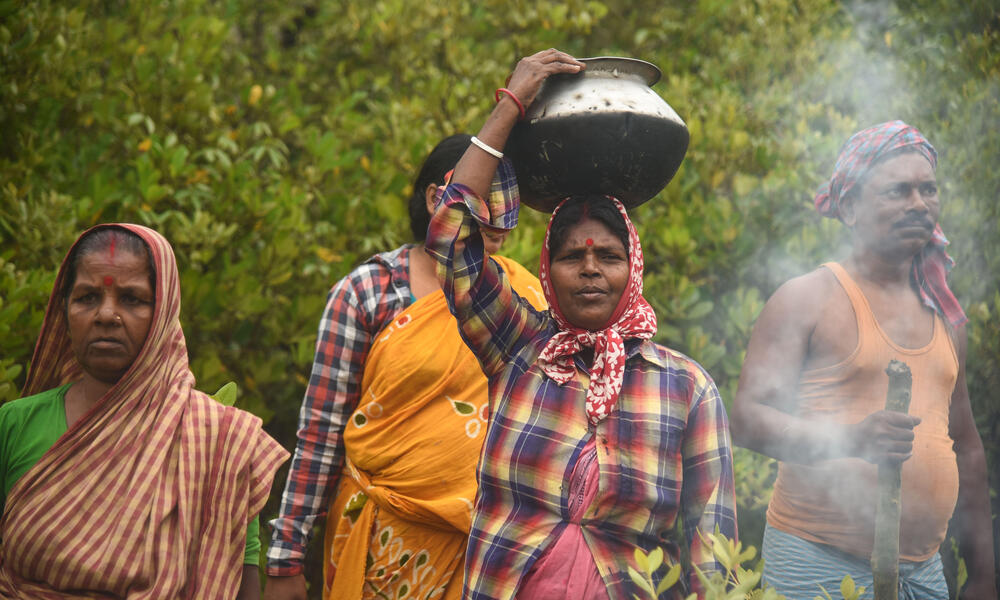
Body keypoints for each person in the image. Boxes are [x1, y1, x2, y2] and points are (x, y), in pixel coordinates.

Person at [425, 49, 736, 600]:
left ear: (633, 268)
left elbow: (712, 544)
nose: (591, 270)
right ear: (549, 270)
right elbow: (452, 237)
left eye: (609, 257)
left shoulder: (686, 387)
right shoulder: (519, 349)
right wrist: (510, 107)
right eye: (572, 257)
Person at [263, 134, 546, 600]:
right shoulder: (368, 293)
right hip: (379, 542)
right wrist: (286, 557)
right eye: (487, 199)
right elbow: (321, 432)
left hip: (487, 548)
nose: (502, 220)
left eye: (510, 202)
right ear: (442, 198)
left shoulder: (520, 297)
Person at [731, 121, 996, 599]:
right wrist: (849, 440)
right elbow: (748, 420)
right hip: (817, 561)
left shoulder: (946, 313)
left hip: (925, 571)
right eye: (898, 191)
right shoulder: (807, 298)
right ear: (850, 207)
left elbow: (966, 445)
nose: (919, 204)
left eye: (928, 189)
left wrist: (982, 574)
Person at [0, 224, 288, 599]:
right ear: (64, 309)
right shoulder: (16, 424)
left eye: (132, 299)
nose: (106, 315)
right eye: (87, 297)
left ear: (164, 312)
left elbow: (240, 587)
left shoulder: (221, 444)